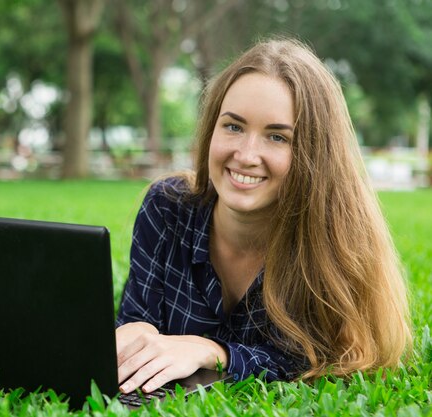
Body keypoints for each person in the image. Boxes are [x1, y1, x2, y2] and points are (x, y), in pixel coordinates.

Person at [115, 37, 412, 395]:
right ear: (212, 129)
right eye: (234, 127)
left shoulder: (334, 241)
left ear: (313, 155)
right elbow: (135, 325)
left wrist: (215, 352)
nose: (246, 154)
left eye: (277, 137)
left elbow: (339, 362)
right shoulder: (166, 208)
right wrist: (136, 334)